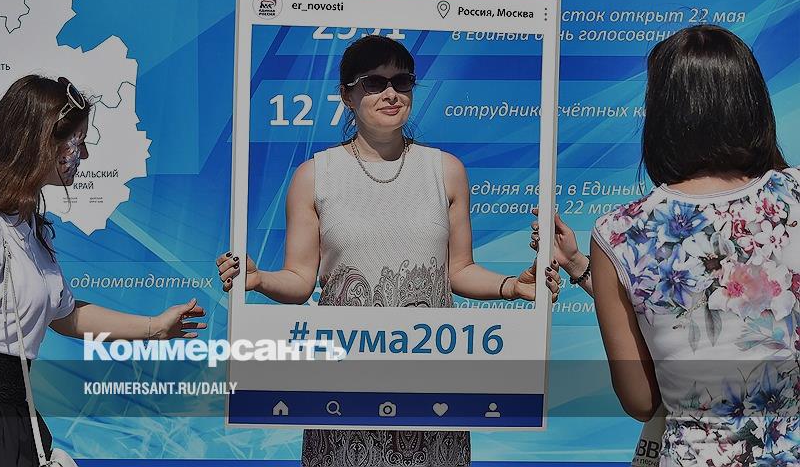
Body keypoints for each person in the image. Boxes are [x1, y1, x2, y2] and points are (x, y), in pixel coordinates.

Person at [217, 35, 560, 466]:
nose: (391, 93)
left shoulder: (446, 171)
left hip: (431, 387)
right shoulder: (313, 176)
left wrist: (514, 286)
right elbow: (301, 280)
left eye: (402, 81)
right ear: (347, 95)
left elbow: (458, 270)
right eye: (374, 83)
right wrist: (259, 279)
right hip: (344, 390)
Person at [0, 75, 208, 467]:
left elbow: (65, 315)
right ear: (42, 142)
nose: (84, 154)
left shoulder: (28, 228)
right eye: (78, 141)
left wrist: (154, 328)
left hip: (13, 414)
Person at [582, 24, 800, 465]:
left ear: (662, 114)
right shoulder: (794, 194)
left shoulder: (618, 234)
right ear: (751, 103)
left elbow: (640, 401)